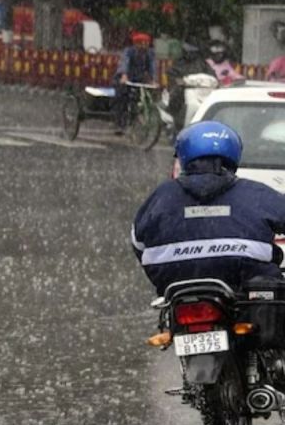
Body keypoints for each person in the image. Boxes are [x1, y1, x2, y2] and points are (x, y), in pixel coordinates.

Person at [131, 121, 285, 296]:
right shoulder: (256, 193)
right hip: (247, 291)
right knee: (271, 308)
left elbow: (138, 241)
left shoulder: (161, 196)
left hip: (178, 287)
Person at [166, 42, 216, 133]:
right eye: (188, 52)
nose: (190, 54)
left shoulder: (202, 63)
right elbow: (172, 75)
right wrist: (179, 81)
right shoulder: (179, 63)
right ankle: (176, 124)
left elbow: (212, 76)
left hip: (201, 91)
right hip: (184, 92)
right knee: (176, 98)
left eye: (192, 52)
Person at [112, 31, 157, 133]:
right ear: (136, 43)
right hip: (125, 79)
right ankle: (119, 124)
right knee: (122, 98)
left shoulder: (150, 53)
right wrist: (124, 75)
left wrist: (153, 79)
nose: (144, 45)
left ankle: (136, 119)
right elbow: (125, 63)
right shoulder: (129, 51)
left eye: (146, 43)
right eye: (142, 43)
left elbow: (152, 66)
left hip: (139, 79)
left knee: (141, 98)